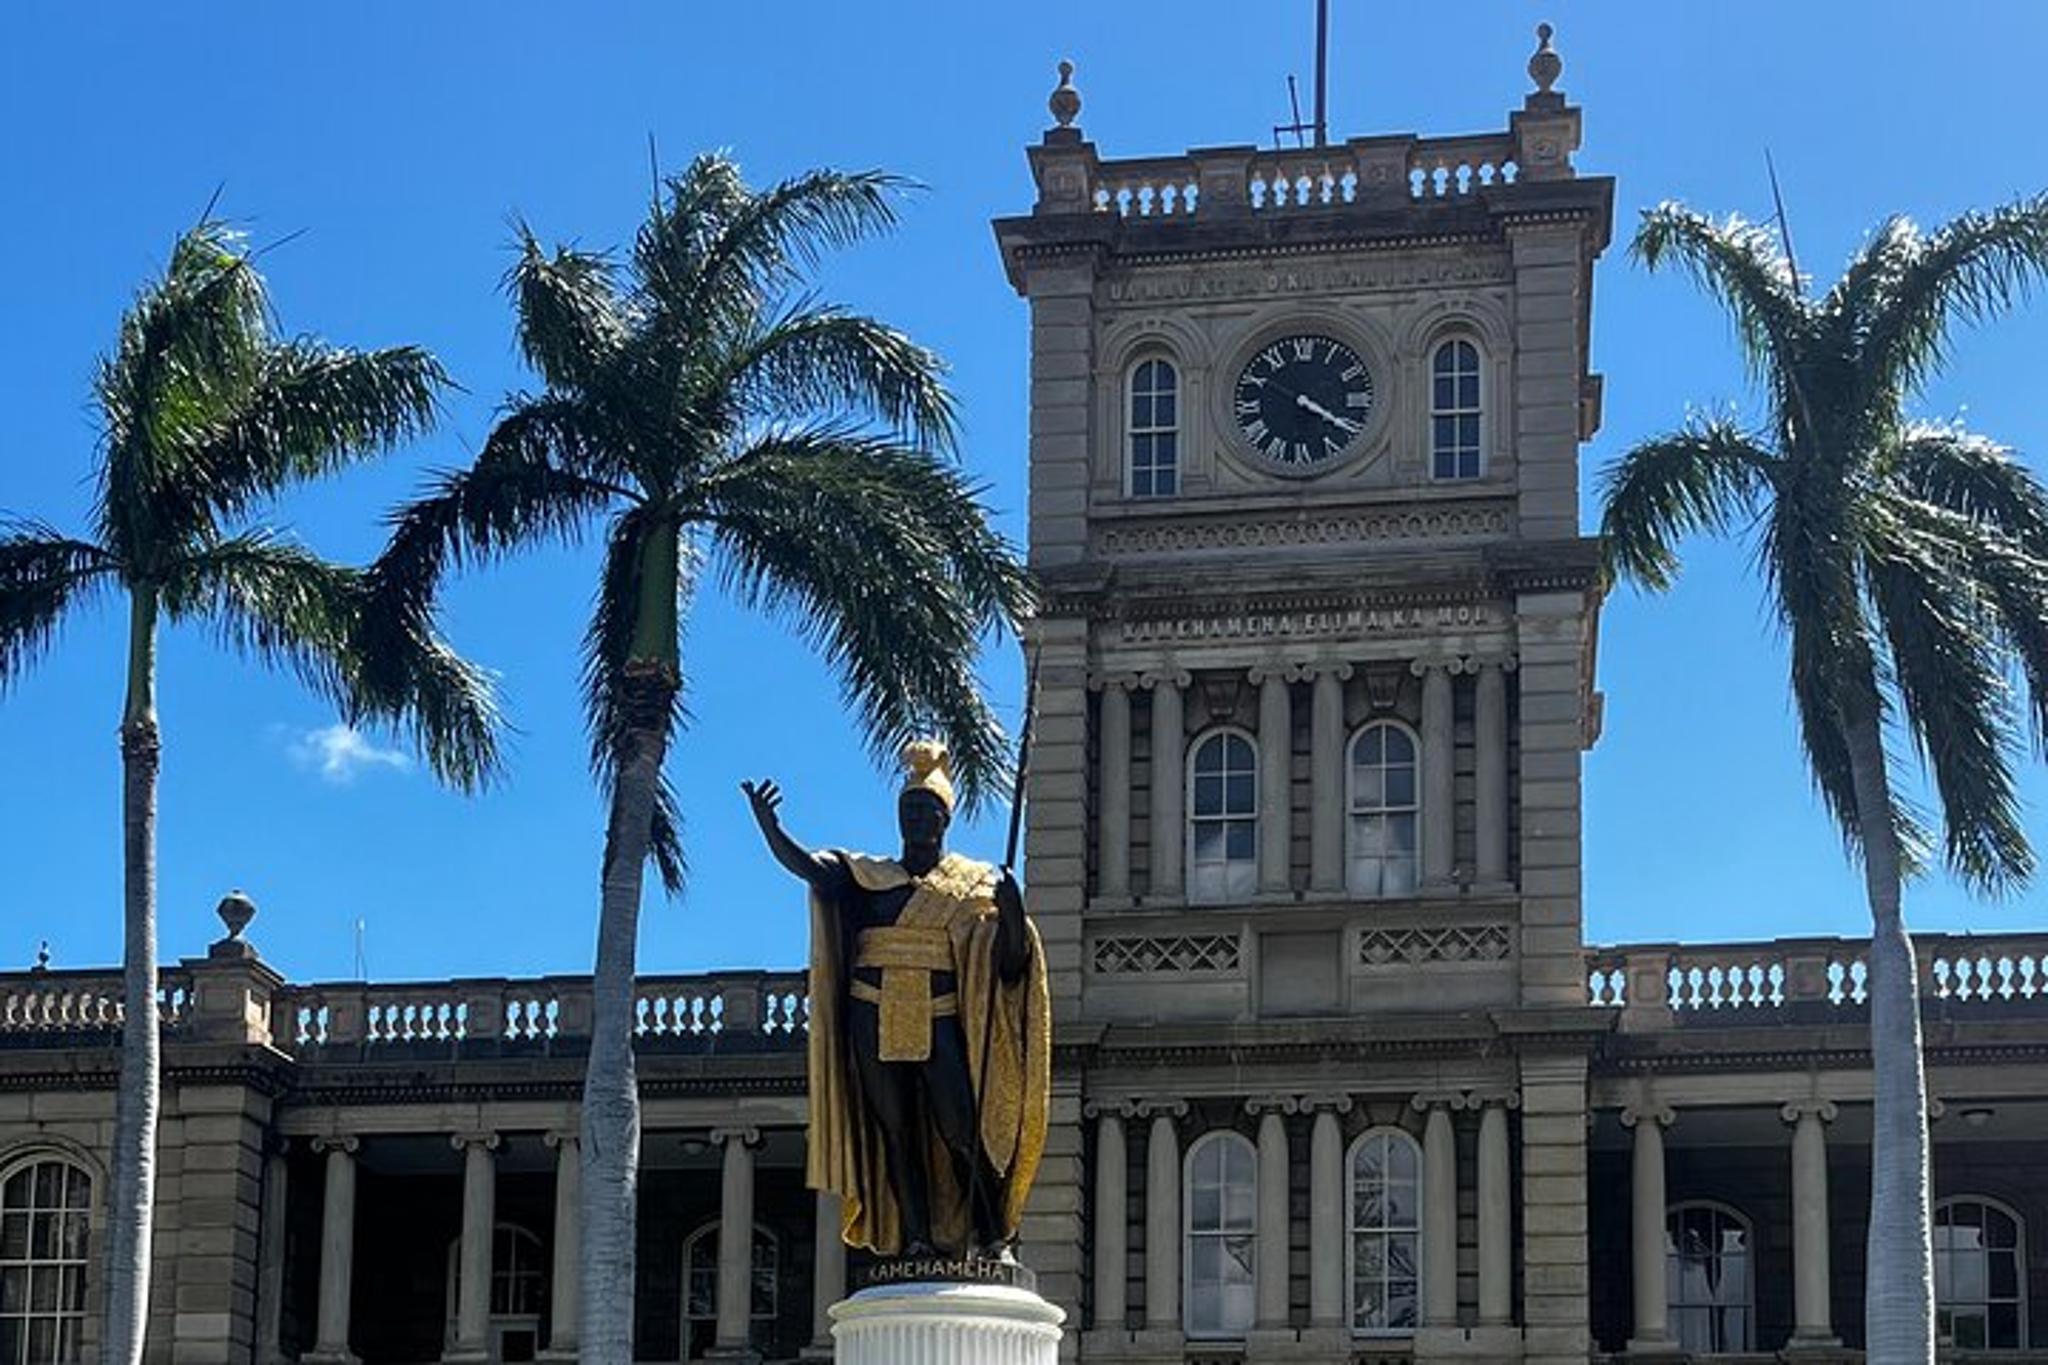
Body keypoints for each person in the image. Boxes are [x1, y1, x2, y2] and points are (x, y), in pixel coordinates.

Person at [742, 741, 1051, 1260]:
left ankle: (993, 1234)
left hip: (941, 1015)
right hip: (872, 1010)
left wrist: (1013, 911)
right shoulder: (869, 878)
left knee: (959, 1130)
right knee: (896, 1134)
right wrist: (772, 829)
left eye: (926, 811)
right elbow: (812, 868)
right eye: (907, 811)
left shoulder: (974, 885)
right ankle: (915, 1237)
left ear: (944, 819)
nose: (916, 820)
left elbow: (1012, 965)